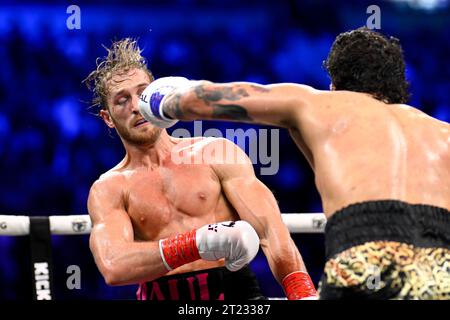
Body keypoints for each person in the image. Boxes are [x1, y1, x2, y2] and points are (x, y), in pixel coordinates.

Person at [139, 27, 450, 299]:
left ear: (334, 85)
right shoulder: (442, 133)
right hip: (442, 269)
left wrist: (160, 100)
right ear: (400, 86)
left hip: (365, 254)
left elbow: (200, 99)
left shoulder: (315, 104)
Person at [84, 38, 317, 300]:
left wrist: (302, 291)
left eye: (142, 93)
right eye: (122, 100)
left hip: (235, 297)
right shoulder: (109, 188)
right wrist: (197, 243)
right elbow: (113, 266)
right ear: (108, 119)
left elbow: (270, 231)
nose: (136, 107)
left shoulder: (215, 153)